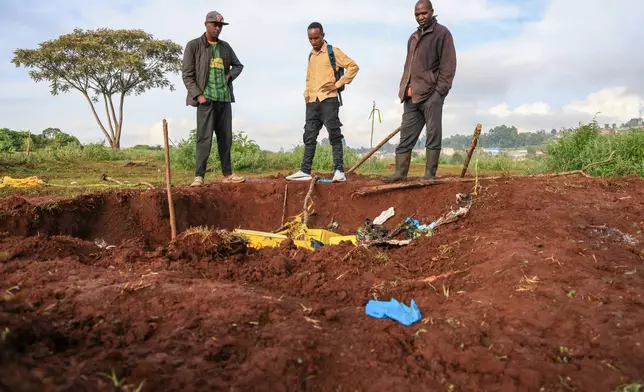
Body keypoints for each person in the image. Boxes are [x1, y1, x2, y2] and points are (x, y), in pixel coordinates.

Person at [383, 0, 456, 183]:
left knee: (433, 134)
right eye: (417, 14)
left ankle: (429, 176)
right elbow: (408, 66)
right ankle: (400, 173)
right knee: (406, 136)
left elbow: (448, 66)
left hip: (431, 95)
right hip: (411, 96)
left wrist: (439, 92)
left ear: (432, 12)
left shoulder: (442, 34)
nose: (421, 17)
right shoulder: (413, 37)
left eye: (424, 13)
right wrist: (404, 89)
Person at [286, 22, 359, 182]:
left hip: (329, 100)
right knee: (309, 135)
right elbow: (309, 77)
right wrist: (306, 94)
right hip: (312, 101)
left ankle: (339, 171)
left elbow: (353, 67)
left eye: (316, 38)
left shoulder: (333, 52)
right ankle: (305, 170)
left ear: (323, 35)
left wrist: (338, 84)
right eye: (310, 38)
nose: (313, 41)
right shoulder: (311, 55)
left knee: (334, 133)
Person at [182, 11, 246, 187]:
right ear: (206, 25)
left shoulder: (225, 47)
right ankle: (199, 176)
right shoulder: (194, 46)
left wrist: (228, 76)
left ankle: (227, 174)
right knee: (204, 138)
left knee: (225, 139)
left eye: (220, 26)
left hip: (224, 99)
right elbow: (187, 75)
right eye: (214, 25)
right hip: (206, 100)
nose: (217, 28)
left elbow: (238, 65)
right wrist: (199, 95)